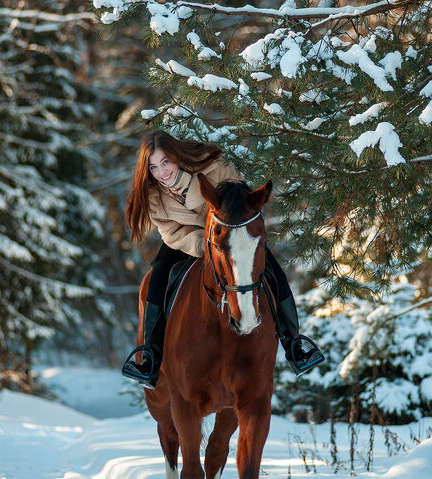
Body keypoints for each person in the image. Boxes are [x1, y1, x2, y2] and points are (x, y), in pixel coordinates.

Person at [122, 130, 325, 389]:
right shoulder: (152, 194)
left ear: (177, 157)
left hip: (230, 233)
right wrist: (202, 245)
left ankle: (293, 343)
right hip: (188, 242)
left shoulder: (214, 167)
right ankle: (150, 356)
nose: (162, 172)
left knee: (273, 270)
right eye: (153, 167)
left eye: (165, 162)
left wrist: (225, 238)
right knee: (157, 277)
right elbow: (171, 232)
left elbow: (241, 203)